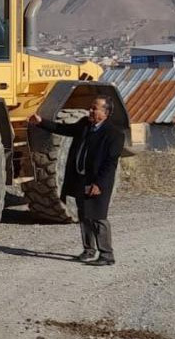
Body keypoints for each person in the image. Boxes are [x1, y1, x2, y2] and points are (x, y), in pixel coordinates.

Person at [28, 96, 124, 266]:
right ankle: (89, 250)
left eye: (95, 109)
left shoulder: (114, 134)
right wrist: (41, 122)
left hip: (98, 183)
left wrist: (99, 184)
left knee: (98, 218)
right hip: (81, 179)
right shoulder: (85, 125)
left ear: (106, 113)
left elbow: (110, 163)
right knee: (84, 215)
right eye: (91, 107)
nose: (91, 111)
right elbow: (63, 129)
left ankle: (107, 254)